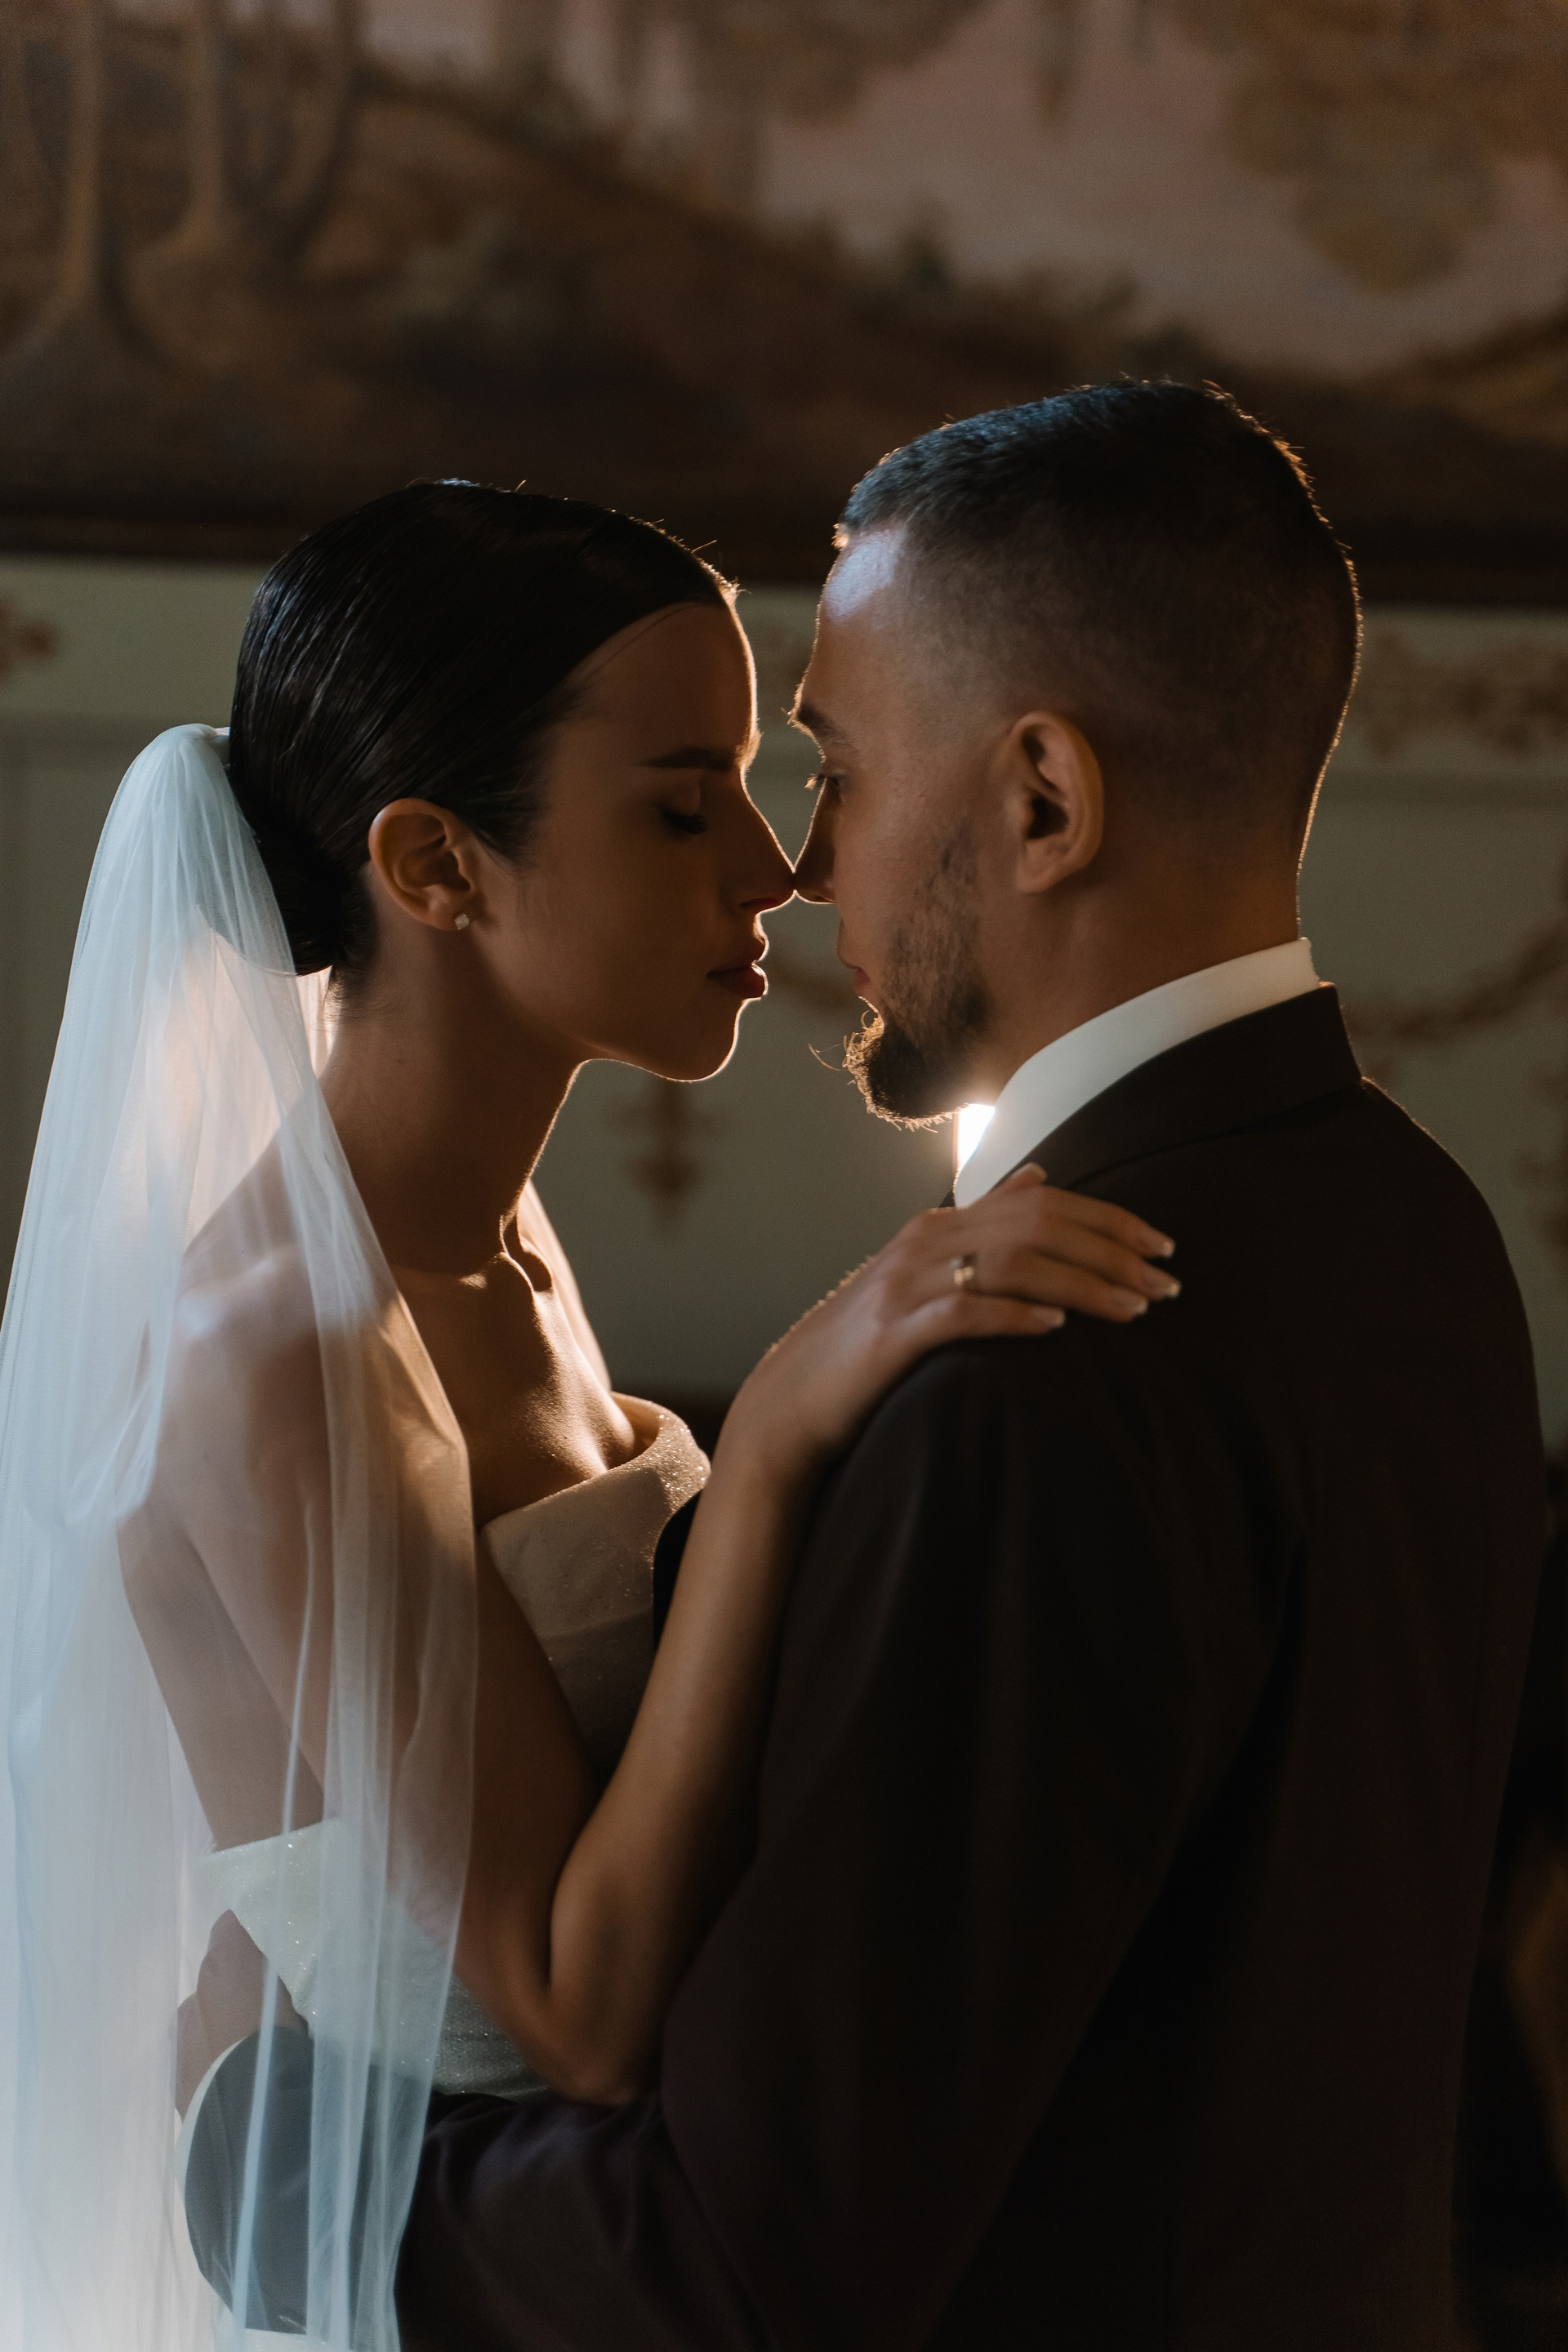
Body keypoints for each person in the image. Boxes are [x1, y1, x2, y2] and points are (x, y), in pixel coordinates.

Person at [393, 385, 1548, 2349]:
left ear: (1042, 802)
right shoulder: (1414, 1224)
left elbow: (748, 2265)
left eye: (837, 771)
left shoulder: (1036, 1363)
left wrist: (284, 2159)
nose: (801, 866)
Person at [0, 483, 1168, 2352]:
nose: (777, 871)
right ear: (435, 864)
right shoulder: (278, 1346)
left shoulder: (502, 1249)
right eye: (684, 806)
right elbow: (575, 2011)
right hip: (461, 2283)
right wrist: (773, 1438)